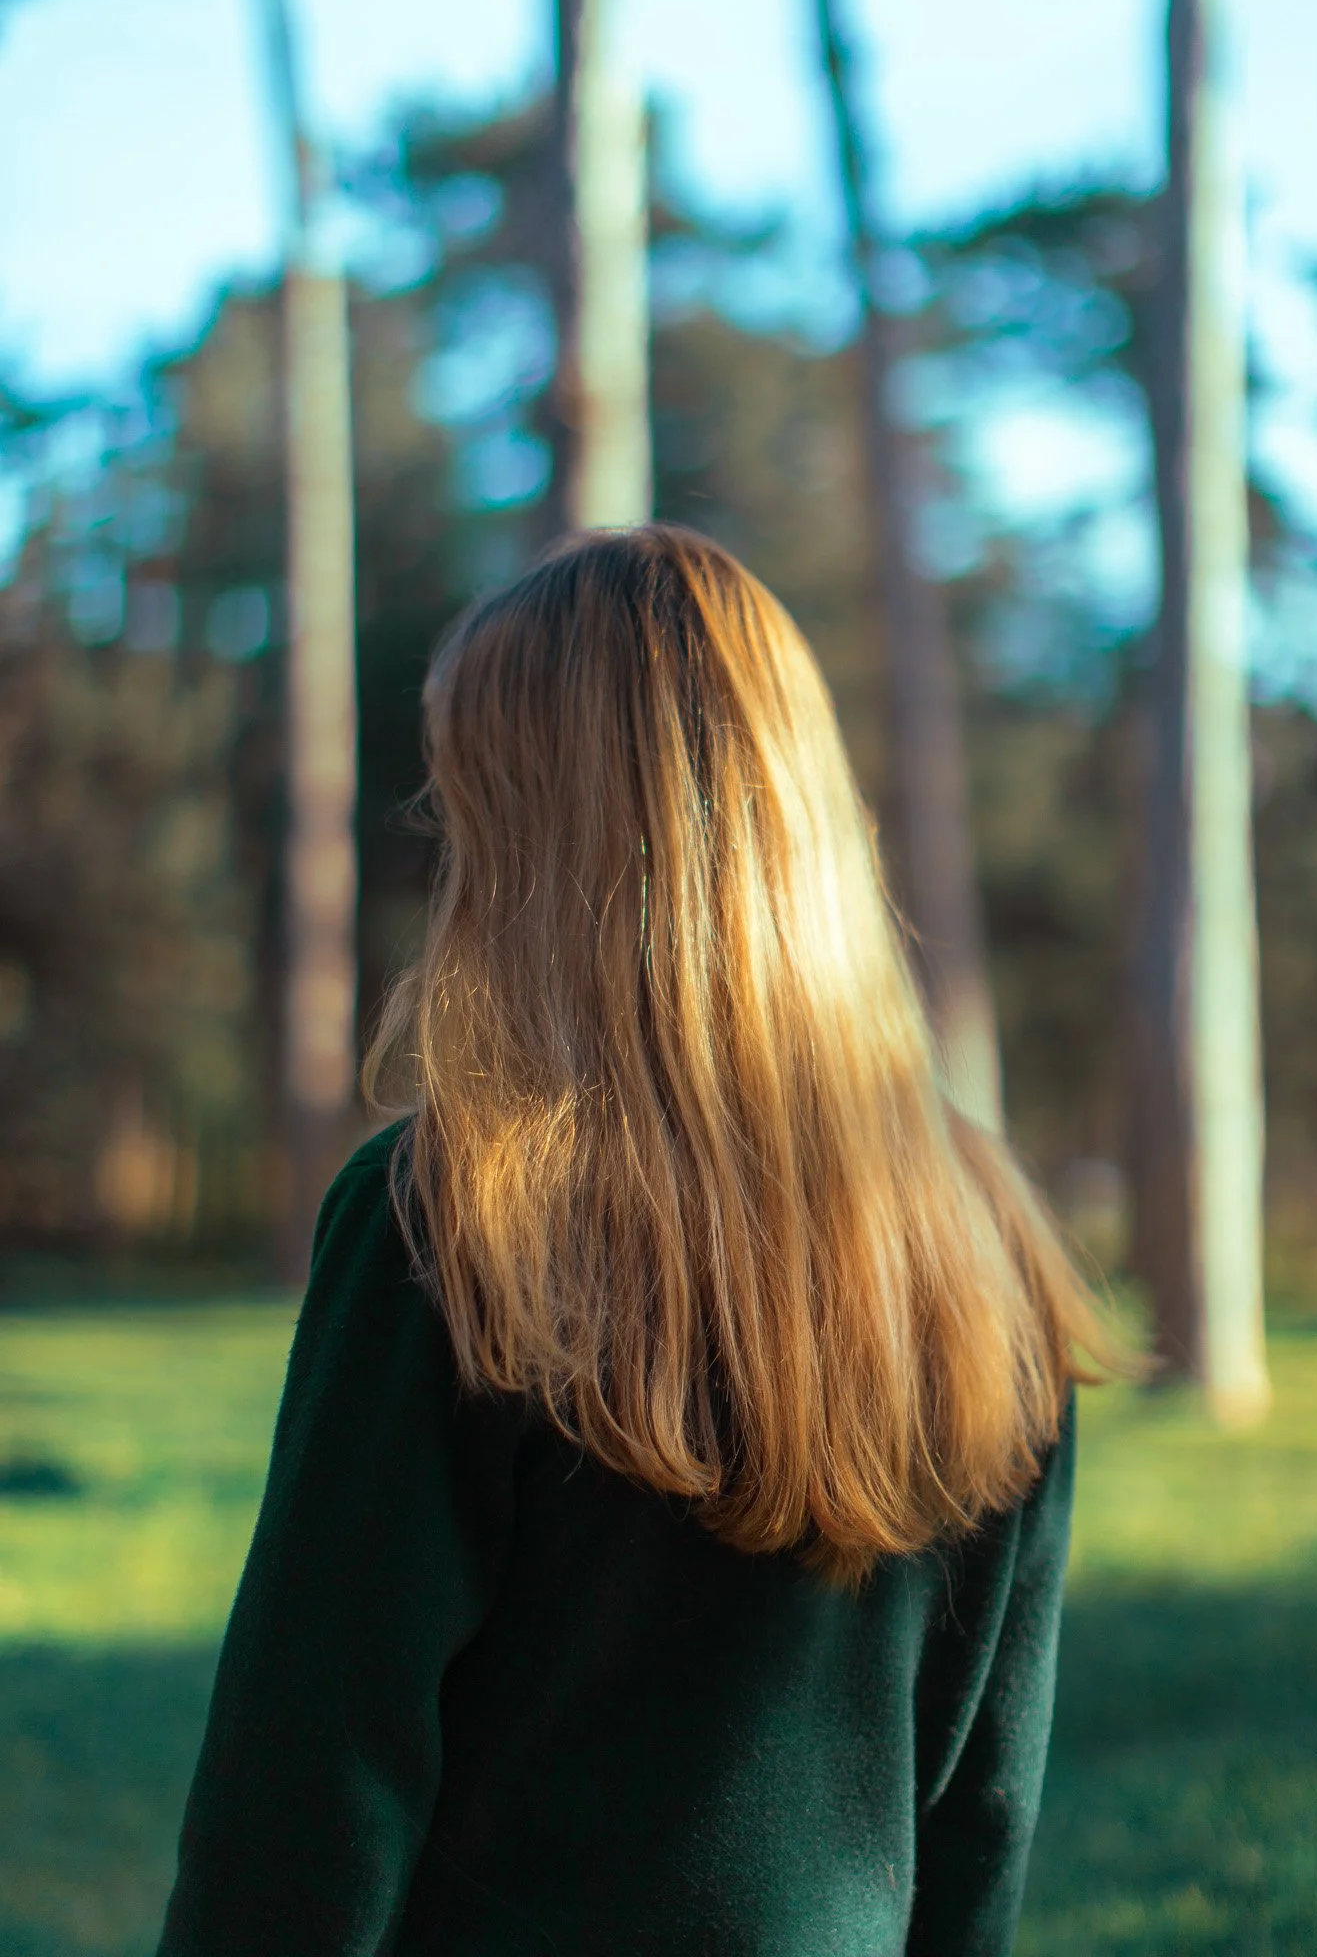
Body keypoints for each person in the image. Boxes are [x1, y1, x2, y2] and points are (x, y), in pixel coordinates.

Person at [156, 524, 1123, 1957]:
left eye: (469, 800)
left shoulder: (447, 1217)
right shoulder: (993, 1250)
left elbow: (310, 1783)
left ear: (534, 839)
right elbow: (979, 1810)